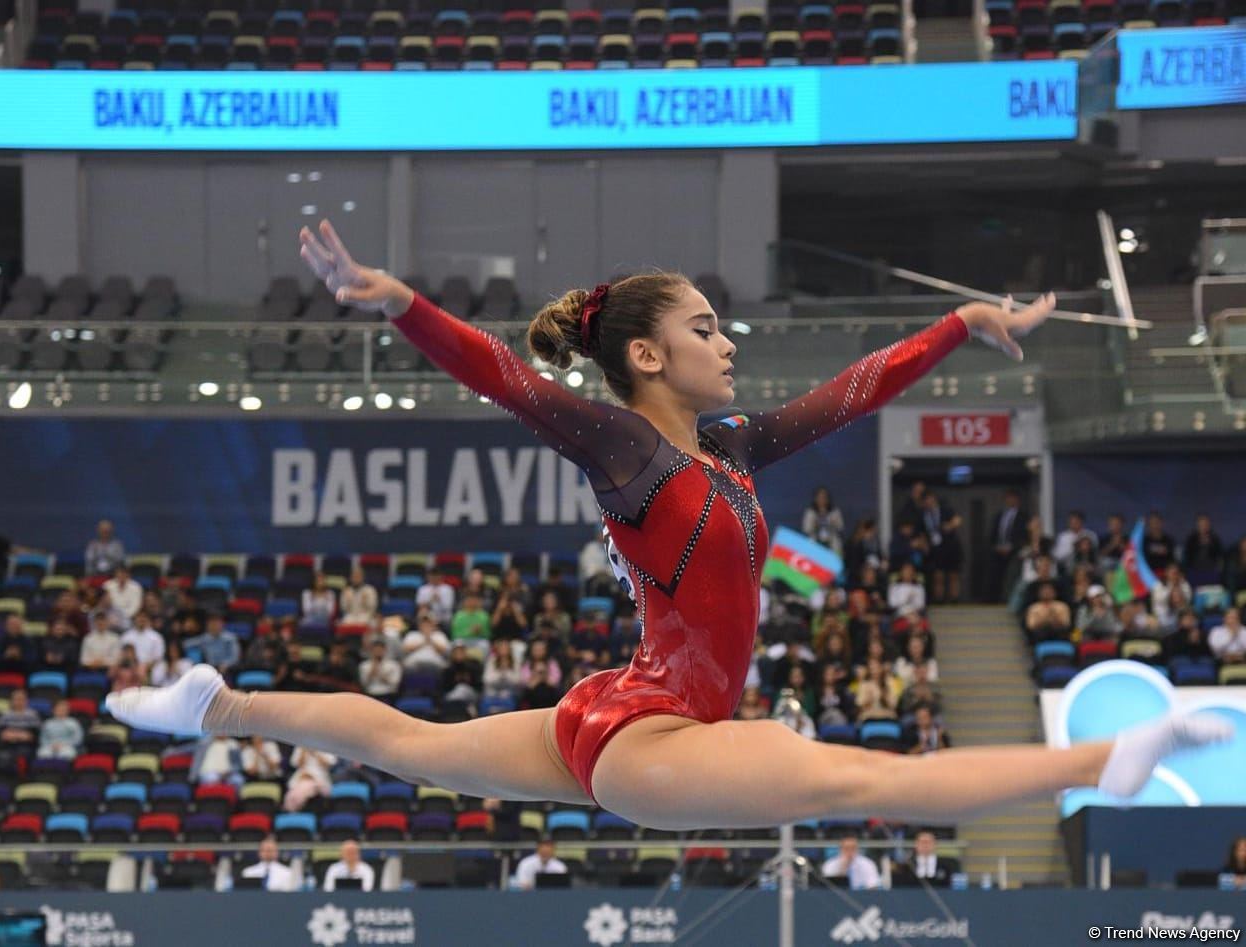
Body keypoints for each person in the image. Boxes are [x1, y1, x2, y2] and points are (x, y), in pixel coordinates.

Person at [107, 220, 1231, 838]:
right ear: (646, 355)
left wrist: (953, 326)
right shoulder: (625, 448)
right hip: (648, 734)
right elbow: (506, 378)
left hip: (622, 705)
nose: (726, 341)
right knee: (839, 780)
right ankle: (1105, 758)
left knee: (405, 744)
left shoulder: (728, 446)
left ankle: (216, 703)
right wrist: (402, 303)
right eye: (704, 326)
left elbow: (847, 393)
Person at [988, 490, 1029, 603]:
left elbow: (1024, 536)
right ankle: (995, 599)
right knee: (996, 576)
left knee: (1011, 576)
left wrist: (1012, 547)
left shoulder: (1023, 516)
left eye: (1013, 498)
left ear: (1017, 500)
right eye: (1008, 498)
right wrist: (996, 546)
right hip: (998, 551)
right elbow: (994, 533)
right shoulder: (999, 515)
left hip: (1015, 552)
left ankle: (1009, 599)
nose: (1010, 501)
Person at [894, 830, 959, 888]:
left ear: (935, 844)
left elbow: (955, 884)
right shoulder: (907, 865)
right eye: (922, 842)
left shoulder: (948, 864)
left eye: (928, 842)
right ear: (916, 845)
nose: (925, 845)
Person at [801, 486, 844, 555]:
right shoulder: (810, 512)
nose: (822, 499)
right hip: (815, 543)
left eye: (824, 497)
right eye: (820, 497)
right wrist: (815, 525)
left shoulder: (835, 511)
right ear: (815, 498)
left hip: (831, 544)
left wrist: (833, 524)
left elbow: (840, 527)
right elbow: (806, 529)